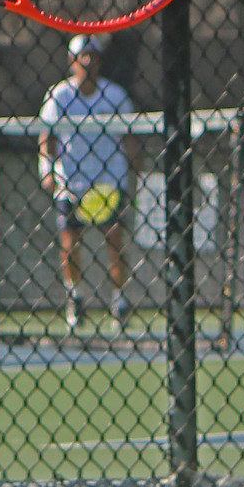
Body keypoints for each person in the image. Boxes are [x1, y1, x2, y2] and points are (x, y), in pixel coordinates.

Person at [37, 34, 141, 329]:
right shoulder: (58, 96)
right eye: (82, 56)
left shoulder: (116, 95)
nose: (88, 62)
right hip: (72, 183)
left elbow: (129, 137)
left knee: (115, 241)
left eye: (92, 56)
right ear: (71, 62)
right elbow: (47, 137)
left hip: (109, 181)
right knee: (69, 243)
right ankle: (75, 299)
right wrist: (47, 168)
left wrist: (136, 170)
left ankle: (119, 302)